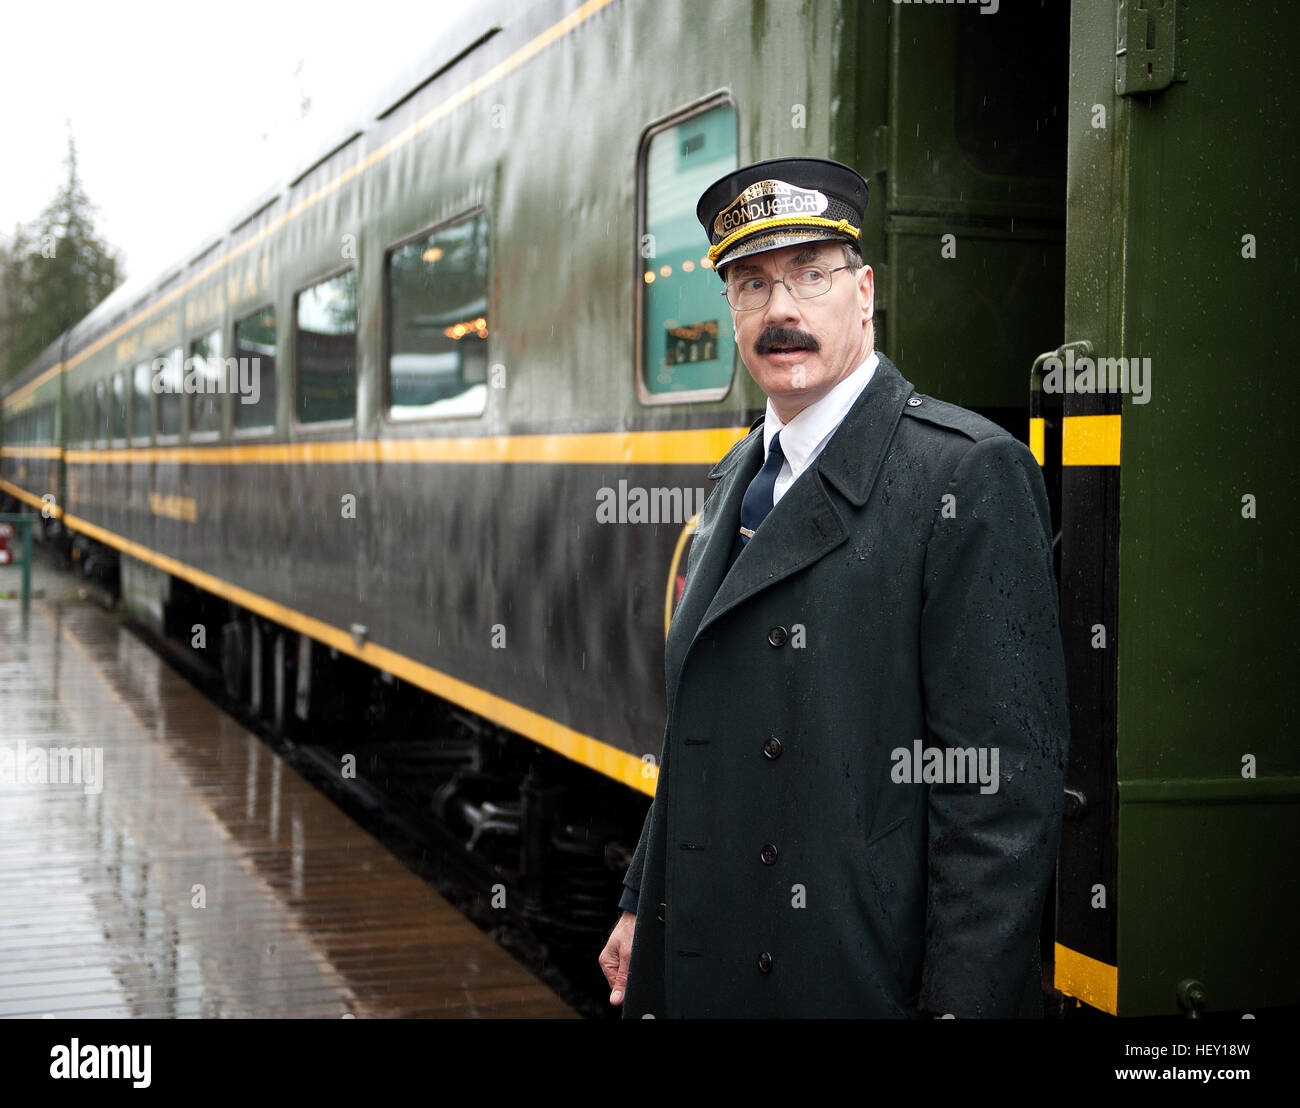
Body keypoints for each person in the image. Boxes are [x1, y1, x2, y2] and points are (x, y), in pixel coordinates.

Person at [598, 157, 1069, 1018]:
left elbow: (998, 805)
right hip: (710, 949)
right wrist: (642, 898)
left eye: (811, 276)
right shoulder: (740, 470)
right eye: (751, 284)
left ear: (864, 294)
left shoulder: (966, 475)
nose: (781, 310)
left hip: (849, 977)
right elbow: (702, 730)